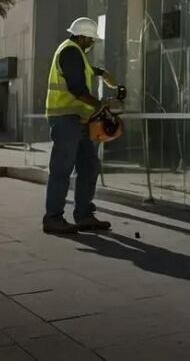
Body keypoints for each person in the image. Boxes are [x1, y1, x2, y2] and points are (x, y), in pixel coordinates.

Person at [43, 17, 119, 234]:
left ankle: (84, 215)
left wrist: (101, 73)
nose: (92, 44)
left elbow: (82, 69)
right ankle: (53, 217)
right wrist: (102, 105)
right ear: (83, 37)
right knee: (62, 168)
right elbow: (77, 88)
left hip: (80, 119)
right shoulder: (69, 51)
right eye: (92, 40)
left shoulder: (76, 54)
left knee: (88, 166)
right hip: (65, 117)